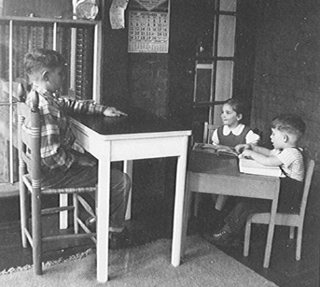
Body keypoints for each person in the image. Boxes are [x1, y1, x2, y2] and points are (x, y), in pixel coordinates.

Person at [23, 48, 131, 249]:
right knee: (120, 181)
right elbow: (51, 156)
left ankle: (99, 217)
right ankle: (115, 231)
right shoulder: (46, 106)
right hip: (50, 174)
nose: (63, 78)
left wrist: (101, 109)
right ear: (47, 76)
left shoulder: (37, 97)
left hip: (39, 169)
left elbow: (68, 104)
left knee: (97, 165)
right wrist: (78, 159)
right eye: (60, 73)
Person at [204, 114, 306, 246]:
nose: (271, 137)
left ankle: (226, 234)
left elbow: (268, 160)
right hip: (279, 194)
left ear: (284, 138)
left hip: (285, 200)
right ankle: (233, 232)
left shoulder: (292, 153)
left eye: (273, 134)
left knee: (245, 204)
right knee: (244, 200)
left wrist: (251, 154)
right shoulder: (284, 150)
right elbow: (269, 153)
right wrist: (252, 147)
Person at [210, 98, 260, 211]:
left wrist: (248, 148)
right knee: (213, 183)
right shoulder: (218, 132)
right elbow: (213, 148)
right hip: (220, 167)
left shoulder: (247, 133)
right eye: (222, 112)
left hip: (239, 170)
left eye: (228, 113)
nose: (223, 115)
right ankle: (219, 209)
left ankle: (218, 210)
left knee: (225, 183)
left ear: (238, 117)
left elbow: (253, 148)